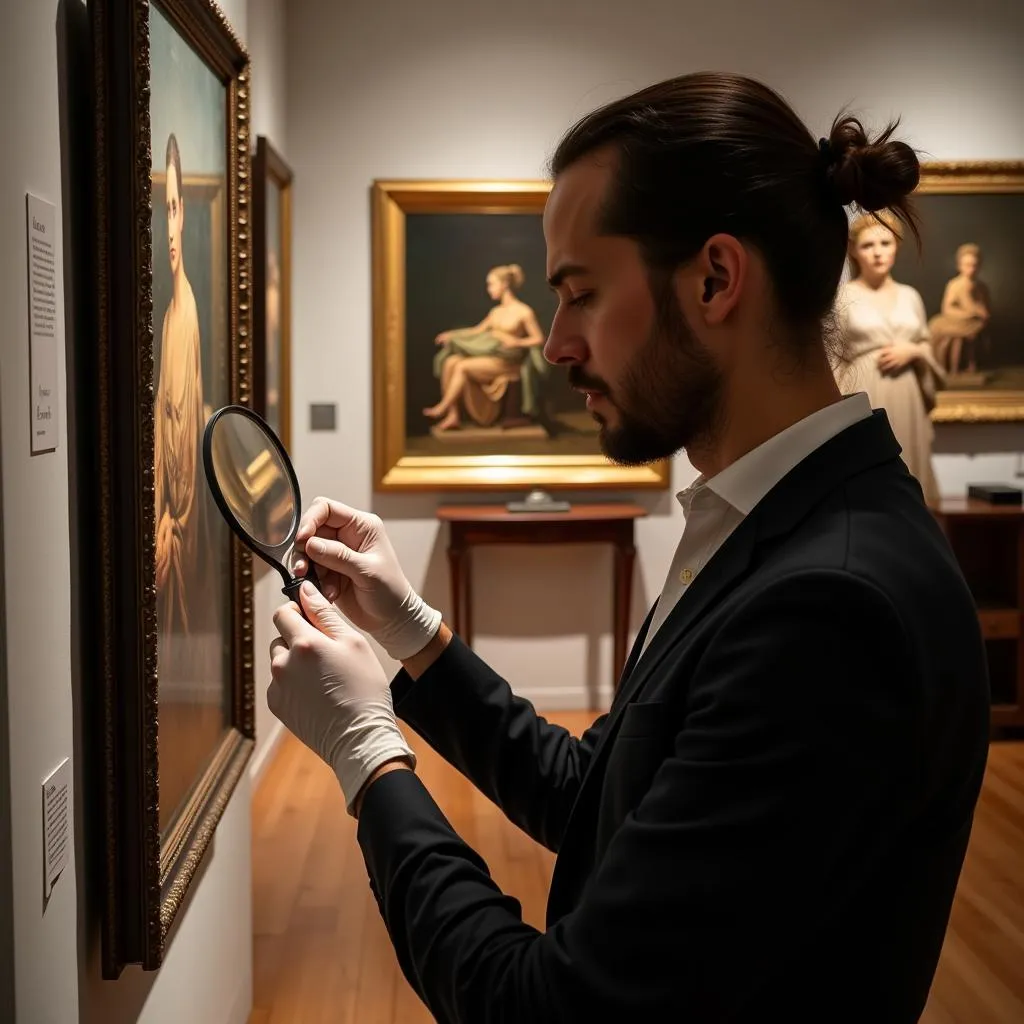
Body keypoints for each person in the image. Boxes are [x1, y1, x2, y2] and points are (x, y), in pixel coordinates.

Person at [267, 73, 990, 1022]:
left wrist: (368, 757)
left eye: (580, 293)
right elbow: (598, 800)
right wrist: (417, 637)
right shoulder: (766, 525)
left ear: (716, 279)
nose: (558, 343)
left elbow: (552, 1009)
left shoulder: (831, 606)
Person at [834, 210, 946, 505]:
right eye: (868, 245)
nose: (877, 253)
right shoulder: (844, 297)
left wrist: (915, 352)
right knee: (867, 482)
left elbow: (928, 351)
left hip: (907, 398)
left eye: (885, 243)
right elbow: (832, 359)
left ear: (896, 246)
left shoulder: (910, 296)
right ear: (854, 251)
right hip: (864, 396)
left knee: (910, 473)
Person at [424, 263, 547, 431]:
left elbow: (539, 339)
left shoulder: (524, 311)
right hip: (491, 359)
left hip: (508, 363)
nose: (489, 289)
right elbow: (476, 331)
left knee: (461, 366)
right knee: (450, 361)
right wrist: (452, 335)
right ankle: (453, 416)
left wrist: (516, 342)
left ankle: (443, 406)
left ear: (504, 285)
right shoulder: (495, 312)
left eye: (491, 284)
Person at [928, 242, 991, 376]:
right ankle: (951, 368)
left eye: (974, 265)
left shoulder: (981, 286)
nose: (971, 269)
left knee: (969, 334)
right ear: (959, 266)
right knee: (942, 331)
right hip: (957, 319)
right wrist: (969, 312)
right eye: (967, 265)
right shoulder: (955, 284)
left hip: (974, 322)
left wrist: (981, 312)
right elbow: (947, 308)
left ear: (979, 266)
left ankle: (970, 366)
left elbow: (984, 308)